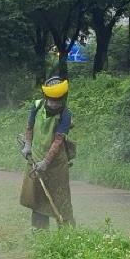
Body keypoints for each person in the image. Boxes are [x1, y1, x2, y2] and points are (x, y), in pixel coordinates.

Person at [19, 76, 75, 229]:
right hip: (35, 159)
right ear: (46, 97)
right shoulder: (37, 106)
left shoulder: (66, 114)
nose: (54, 103)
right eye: (51, 100)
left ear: (63, 98)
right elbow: (29, 127)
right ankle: (39, 234)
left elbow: (58, 140)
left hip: (57, 164)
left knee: (61, 198)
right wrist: (28, 145)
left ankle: (68, 234)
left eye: (58, 101)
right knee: (38, 199)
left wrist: (46, 162)